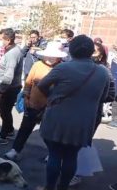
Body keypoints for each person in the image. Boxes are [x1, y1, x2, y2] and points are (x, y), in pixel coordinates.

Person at [37, 35, 110, 190]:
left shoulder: (63, 68)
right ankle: (63, 187)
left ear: (71, 49)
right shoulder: (103, 72)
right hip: (83, 122)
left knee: (55, 155)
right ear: (91, 51)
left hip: (57, 118)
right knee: (71, 156)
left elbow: (42, 85)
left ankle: (49, 187)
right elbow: (103, 98)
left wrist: (52, 96)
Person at [4, 42, 67, 161]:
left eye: (53, 56)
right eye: (49, 56)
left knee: (49, 131)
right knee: (25, 128)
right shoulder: (37, 65)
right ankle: (15, 150)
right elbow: (28, 82)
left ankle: (53, 153)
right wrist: (26, 96)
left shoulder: (62, 68)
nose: (50, 58)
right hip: (33, 103)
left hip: (51, 106)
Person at [68, 41, 116, 187]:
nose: (93, 53)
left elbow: (111, 94)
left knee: (79, 144)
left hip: (89, 112)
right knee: (69, 142)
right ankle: (68, 171)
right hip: (76, 111)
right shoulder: (73, 67)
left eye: (96, 51)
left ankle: (75, 173)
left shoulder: (103, 71)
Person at [0, 28, 23, 146]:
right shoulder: (12, 50)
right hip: (11, 86)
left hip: (9, 87)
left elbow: (9, 75)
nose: (1, 41)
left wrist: (0, 91)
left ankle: (3, 136)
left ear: (8, 40)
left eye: (2, 39)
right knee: (6, 111)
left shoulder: (13, 53)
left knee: (4, 111)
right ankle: (9, 130)